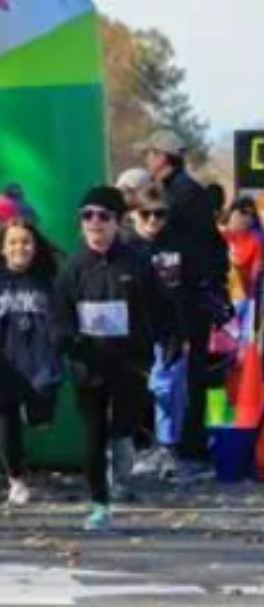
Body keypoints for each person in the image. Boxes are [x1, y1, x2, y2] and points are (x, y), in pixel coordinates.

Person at [53, 186, 177, 532]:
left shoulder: (137, 263)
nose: (95, 222)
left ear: (118, 222)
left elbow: (162, 306)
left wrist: (171, 338)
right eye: (87, 216)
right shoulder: (72, 267)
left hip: (129, 362)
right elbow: (59, 314)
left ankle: (121, 473)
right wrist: (65, 338)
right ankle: (99, 504)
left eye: (103, 216)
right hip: (88, 363)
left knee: (123, 429)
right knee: (94, 434)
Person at [138, 130, 229, 466]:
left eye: (150, 153)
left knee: (184, 374)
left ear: (163, 156)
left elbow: (194, 251)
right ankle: (181, 445)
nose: (147, 159)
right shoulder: (185, 190)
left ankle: (187, 449)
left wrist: (191, 293)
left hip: (185, 300)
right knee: (176, 374)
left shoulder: (182, 194)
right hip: (187, 296)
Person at [0, 219, 63, 506]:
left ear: (35, 247)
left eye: (26, 242)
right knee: (5, 418)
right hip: (1, 359)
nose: (20, 247)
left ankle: (37, 412)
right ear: (2, 249)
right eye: (13, 242)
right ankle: (16, 480)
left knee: (42, 413)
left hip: (39, 361)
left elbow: (59, 316)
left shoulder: (47, 278)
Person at [124, 187, 188, 484]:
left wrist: (184, 331)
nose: (153, 220)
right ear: (133, 215)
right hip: (134, 331)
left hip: (169, 330)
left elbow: (186, 289)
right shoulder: (125, 247)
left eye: (160, 214)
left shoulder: (175, 244)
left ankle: (166, 449)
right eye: (146, 213)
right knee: (136, 391)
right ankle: (137, 447)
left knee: (169, 390)